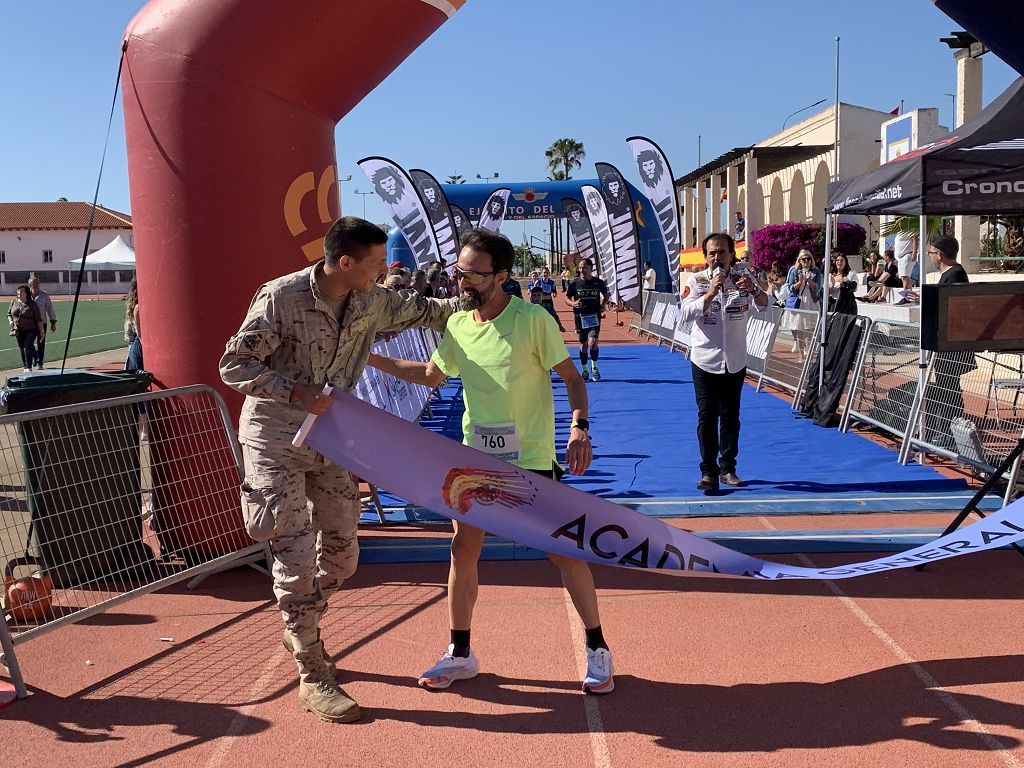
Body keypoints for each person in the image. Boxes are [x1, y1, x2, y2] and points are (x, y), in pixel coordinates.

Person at [219, 216, 457, 724]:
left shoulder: (371, 299)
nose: (383, 272)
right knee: (297, 555)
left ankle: (298, 619)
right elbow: (233, 366)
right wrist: (295, 391)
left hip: (330, 442)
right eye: (375, 264)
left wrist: (489, 302)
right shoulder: (281, 298)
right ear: (344, 262)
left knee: (344, 558)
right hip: (276, 440)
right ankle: (312, 670)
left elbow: (428, 311)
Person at [366, 228, 613, 694]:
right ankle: (460, 652)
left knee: (563, 552)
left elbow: (572, 380)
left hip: (531, 459)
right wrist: (371, 358)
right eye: (459, 270)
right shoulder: (458, 324)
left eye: (473, 273)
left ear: (500, 275)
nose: (462, 280)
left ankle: (597, 646)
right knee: (463, 550)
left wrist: (580, 427)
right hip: (474, 462)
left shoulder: (533, 319)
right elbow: (429, 375)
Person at [680, 233, 769, 492]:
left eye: (722, 252)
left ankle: (728, 468)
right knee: (707, 416)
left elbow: (766, 305)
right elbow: (684, 312)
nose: (717, 257)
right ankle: (708, 471)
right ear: (705, 256)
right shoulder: (696, 280)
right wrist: (709, 294)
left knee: (731, 417)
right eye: (712, 253)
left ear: (731, 253)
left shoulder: (745, 276)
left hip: (735, 360)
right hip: (705, 359)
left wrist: (753, 289)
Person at [925, 235, 973, 449]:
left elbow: (953, 307)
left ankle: (954, 433)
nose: (930, 257)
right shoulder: (949, 274)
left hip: (951, 343)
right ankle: (950, 431)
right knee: (947, 387)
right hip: (944, 341)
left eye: (931, 253)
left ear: (940, 254)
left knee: (949, 389)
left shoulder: (955, 274)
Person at [565, 257, 610, 382]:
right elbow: (566, 298)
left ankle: (594, 368)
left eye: (584, 268)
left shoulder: (598, 283)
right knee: (584, 345)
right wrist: (573, 304)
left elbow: (606, 295)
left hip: (594, 316)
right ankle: (584, 370)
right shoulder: (574, 283)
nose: (581, 270)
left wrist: (603, 305)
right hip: (580, 317)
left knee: (593, 342)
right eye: (580, 268)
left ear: (591, 268)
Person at [780, 250, 821, 354]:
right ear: (800, 261)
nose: (806, 260)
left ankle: (808, 351)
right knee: (799, 328)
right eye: (804, 259)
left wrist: (810, 281)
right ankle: (801, 353)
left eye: (809, 258)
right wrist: (799, 282)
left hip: (811, 300)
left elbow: (818, 287)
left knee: (810, 327)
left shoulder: (816, 271)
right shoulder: (794, 270)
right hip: (799, 301)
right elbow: (790, 287)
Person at [8, 285, 44, 373]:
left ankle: (29, 367)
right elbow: (9, 314)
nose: (19, 293)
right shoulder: (14, 301)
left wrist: (42, 331)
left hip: (31, 329)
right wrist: (11, 321)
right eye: (18, 292)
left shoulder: (32, 304)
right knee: (22, 347)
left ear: (26, 293)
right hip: (18, 329)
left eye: (21, 292)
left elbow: (38, 319)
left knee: (27, 345)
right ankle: (27, 364)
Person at [27, 276, 56, 370]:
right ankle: (35, 355)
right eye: (33, 283)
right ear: (29, 285)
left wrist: (53, 322)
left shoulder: (44, 295)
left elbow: (49, 308)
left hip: (42, 323)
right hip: (29, 324)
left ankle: (40, 363)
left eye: (37, 283)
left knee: (41, 343)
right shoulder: (26, 296)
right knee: (28, 343)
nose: (35, 285)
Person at [531, 267, 565, 331]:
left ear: (549, 274)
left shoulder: (551, 282)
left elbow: (554, 290)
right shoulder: (538, 282)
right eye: (544, 272)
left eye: (546, 272)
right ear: (542, 273)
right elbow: (534, 290)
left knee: (553, 314)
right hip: (541, 301)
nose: (545, 274)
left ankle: (560, 326)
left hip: (548, 301)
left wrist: (555, 293)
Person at [124, 278, 143, 372]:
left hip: (133, 346)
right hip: (137, 346)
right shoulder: (137, 308)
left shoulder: (132, 306)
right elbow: (139, 335)